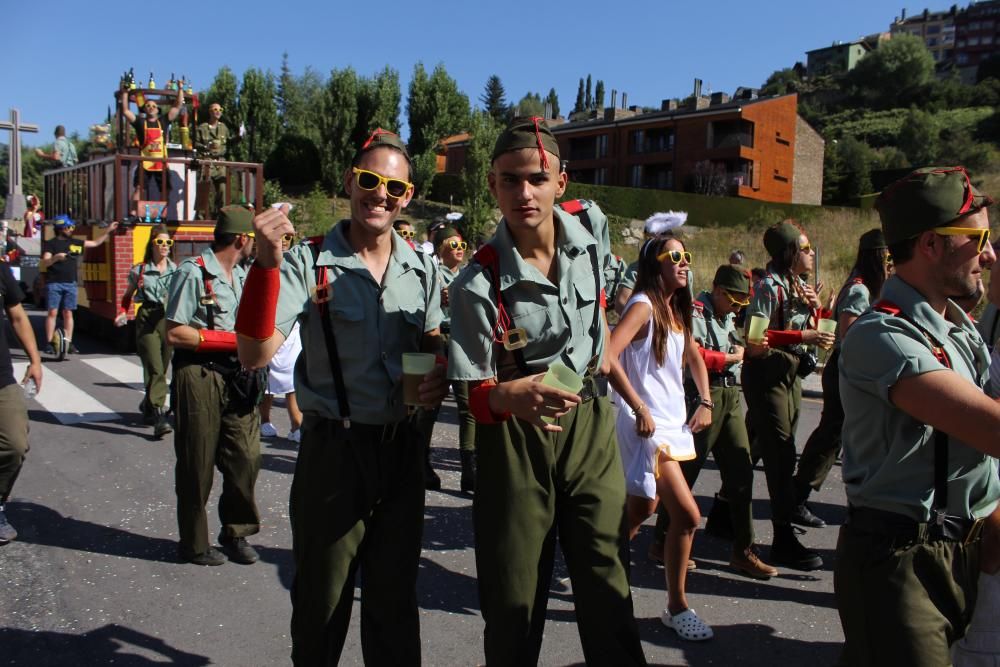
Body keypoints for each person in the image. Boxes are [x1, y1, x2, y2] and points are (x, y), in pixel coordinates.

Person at [235, 128, 448, 665]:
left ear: (409, 195)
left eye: (394, 188)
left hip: (401, 453)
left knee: (395, 606)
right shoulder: (310, 262)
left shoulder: (422, 267)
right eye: (370, 181)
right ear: (350, 182)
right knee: (321, 606)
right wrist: (265, 262)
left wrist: (439, 367)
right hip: (334, 453)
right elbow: (254, 353)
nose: (381, 195)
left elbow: (435, 340)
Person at [447, 117, 647, 665]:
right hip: (515, 436)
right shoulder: (475, 283)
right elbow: (473, 398)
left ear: (562, 181)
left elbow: (610, 292)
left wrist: (606, 341)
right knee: (515, 596)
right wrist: (510, 397)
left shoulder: (592, 231)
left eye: (537, 178)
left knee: (608, 580)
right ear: (492, 185)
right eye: (510, 180)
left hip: (589, 421)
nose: (524, 192)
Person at [835, 166, 1000, 667]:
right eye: (980, 238)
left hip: (965, 553)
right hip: (902, 562)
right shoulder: (880, 335)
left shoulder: (959, 328)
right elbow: (990, 430)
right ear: (932, 243)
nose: (989, 255)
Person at [608, 234, 715, 640]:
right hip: (646, 428)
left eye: (687, 255)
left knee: (640, 511)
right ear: (656, 264)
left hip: (670, 426)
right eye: (676, 256)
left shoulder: (675, 311)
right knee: (685, 515)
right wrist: (638, 407)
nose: (685, 262)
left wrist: (704, 401)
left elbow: (696, 359)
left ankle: (598, 562)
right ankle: (676, 606)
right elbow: (608, 356)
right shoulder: (643, 306)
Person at [651, 264, 779, 580]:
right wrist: (731, 358)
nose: (737, 308)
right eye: (733, 301)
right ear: (718, 291)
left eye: (741, 304)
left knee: (740, 472)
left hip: (729, 396)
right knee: (686, 472)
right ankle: (662, 539)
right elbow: (688, 353)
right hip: (701, 397)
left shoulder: (727, 318)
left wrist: (753, 352)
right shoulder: (694, 312)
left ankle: (743, 550)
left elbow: (738, 349)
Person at [165, 205, 261, 567]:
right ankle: (193, 542)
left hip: (238, 375)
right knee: (197, 462)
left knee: (246, 457)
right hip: (200, 374)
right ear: (242, 238)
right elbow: (174, 331)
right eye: (251, 239)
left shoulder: (240, 273)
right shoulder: (193, 272)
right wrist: (228, 341)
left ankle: (236, 532)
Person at [741, 219, 835, 570]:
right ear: (789, 252)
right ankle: (783, 538)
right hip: (768, 372)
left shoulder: (798, 285)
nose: (811, 255)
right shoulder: (768, 287)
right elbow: (755, 337)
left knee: (754, 445)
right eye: (805, 249)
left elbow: (809, 327)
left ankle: (722, 511)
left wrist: (819, 308)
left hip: (790, 373)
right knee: (781, 454)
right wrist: (804, 338)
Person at [791, 229, 889, 526]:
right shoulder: (860, 289)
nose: (890, 264)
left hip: (851, 371)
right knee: (831, 436)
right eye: (887, 258)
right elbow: (848, 334)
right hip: (847, 371)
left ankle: (798, 495)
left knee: (837, 436)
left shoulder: (867, 286)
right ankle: (797, 497)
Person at [116, 224, 177, 438]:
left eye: (168, 242)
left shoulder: (175, 269)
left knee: (163, 363)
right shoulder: (139, 269)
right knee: (155, 367)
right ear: (152, 244)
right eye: (160, 242)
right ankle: (160, 416)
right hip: (147, 318)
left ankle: (148, 404)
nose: (164, 246)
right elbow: (127, 295)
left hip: (167, 319)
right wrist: (123, 312)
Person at [0, 261, 43, 544]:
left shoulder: (1, 269)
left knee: (14, 444)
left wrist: (35, 359)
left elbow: (17, 315)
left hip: (1, 377)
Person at [431, 224, 476, 493]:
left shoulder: (469, 274)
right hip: (436, 337)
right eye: (453, 245)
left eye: (462, 245)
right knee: (429, 404)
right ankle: (419, 461)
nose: (459, 250)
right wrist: (438, 297)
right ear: (440, 249)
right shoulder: (431, 273)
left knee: (467, 406)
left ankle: (469, 469)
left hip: (460, 338)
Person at [40, 215, 119, 355]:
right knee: (52, 312)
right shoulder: (51, 243)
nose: (71, 230)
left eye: (72, 227)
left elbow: (95, 243)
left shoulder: (75, 242)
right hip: (54, 283)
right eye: (69, 227)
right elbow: (45, 262)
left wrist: (108, 231)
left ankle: (68, 342)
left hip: (70, 283)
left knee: (68, 313)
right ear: (60, 228)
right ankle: (49, 343)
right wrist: (56, 258)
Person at [615, 211, 688, 315]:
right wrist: (646, 321)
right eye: (648, 240)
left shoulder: (682, 271)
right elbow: (621, 302)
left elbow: (684, 303)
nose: (649, 246)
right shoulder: (637, 268)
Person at [120, 88, 184, 202]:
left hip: (161, 163)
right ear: (144, 109)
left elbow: (177, 106)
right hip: (145, 162)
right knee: (139, 189)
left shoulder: (163, 121)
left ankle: (161, 215)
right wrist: (125, 93)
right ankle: (134, 214)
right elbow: (125, 111)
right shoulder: (140, 122)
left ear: (157, 110)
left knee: (165, 190)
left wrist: (180, 89)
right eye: (148, 106)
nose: (151, 108)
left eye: (154, 106)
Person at [195, 103, 231, 218]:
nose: (218, 111)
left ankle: (220, 217)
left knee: (222, 190)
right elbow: (195, 143)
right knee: (204, 190)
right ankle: (201, 217)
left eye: (220, 109)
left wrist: (239, 137)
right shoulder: (202, 128)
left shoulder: (224, 128)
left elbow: (228, 143)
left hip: (220, 162)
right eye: (215, 109)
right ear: (210, 112)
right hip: (207, 161)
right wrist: (206, 147)